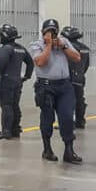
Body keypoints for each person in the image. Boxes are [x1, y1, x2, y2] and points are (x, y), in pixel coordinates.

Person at [29, 19, 82, 163]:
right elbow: (40, 62)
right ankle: (47, 149)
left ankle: (69, 151)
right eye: (48, 31)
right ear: (43, 32)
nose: (51, 34)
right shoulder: (36, 45)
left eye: (54, 31)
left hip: (64, 86)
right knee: (47, 118)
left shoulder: (63, 42)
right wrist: (48, 46)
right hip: (46, 87)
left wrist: (63, 46)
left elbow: (77, 57)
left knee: (66, 117)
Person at [0, 24, 33, 139]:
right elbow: (30, 62)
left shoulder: (5, 49)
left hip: (6, 81)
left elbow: (0, 64)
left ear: (4, 36)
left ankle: (6, 131)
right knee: (15, 105)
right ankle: (15, 129)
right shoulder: (20, 48)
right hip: (17, 81)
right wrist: (26, 77)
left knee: (6, 106)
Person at [62, 26, 89, 129]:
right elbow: (86, 65)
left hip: (69, 78)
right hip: (80, 78)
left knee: (67, 101)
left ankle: (69, 123)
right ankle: (80, 121)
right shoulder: (85, 48)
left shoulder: (70, 48)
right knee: (79, 100)